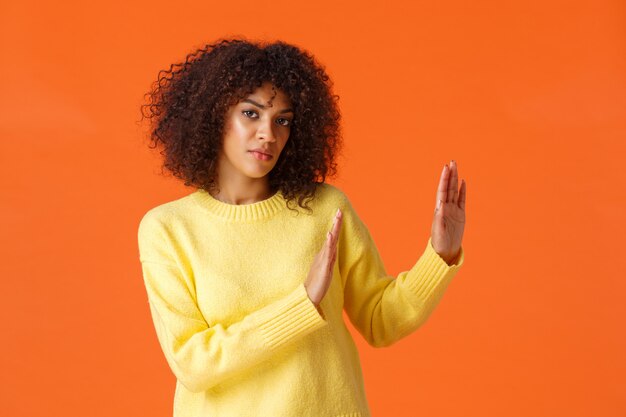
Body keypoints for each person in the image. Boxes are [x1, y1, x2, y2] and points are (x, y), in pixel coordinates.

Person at [137, 37, 466, 417]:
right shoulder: (169, 229)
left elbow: (382, 321)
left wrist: (440, 255)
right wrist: (302, 304)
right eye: (251, 113)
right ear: (214, 115)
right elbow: (192, 364)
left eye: (283, 120)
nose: (268, 134)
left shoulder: (325, 209)